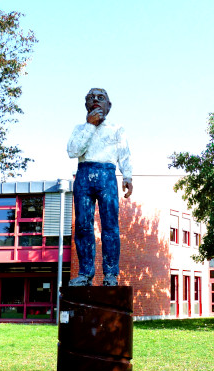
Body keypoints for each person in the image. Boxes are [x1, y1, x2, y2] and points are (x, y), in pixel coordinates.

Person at [67, 88, 133, 286]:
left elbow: (125, 153)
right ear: (85, 105)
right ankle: (86, 273)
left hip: (107, 175)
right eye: (90, 98)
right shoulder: (80, 129)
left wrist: (127, 175)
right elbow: (73, 151)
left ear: (109, 105)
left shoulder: (116, 129)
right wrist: (89, 126)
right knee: (83, 226)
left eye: (100, 98)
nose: (95, 100)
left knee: (110, 226)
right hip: (84, 175)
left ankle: (111, 274)